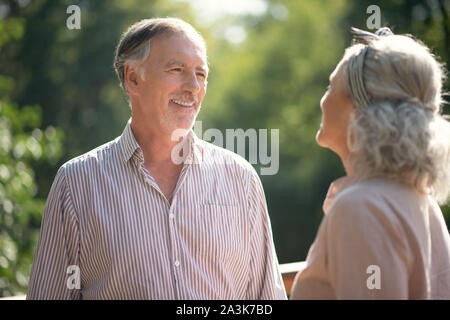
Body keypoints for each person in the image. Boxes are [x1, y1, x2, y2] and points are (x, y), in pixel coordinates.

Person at [27, 18, 286, 300]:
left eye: (201, 74)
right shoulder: (76, 183)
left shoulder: (241, 177)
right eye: (177, 70)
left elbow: (266, 298)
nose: (193, 87)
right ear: (133, 78)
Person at [291, 27, 450, 299]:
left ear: (358, 109)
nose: (323, 99)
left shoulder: (361, 208)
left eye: (331, 86)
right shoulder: (421, 202)